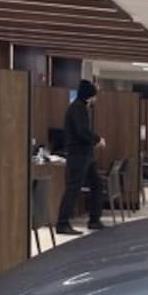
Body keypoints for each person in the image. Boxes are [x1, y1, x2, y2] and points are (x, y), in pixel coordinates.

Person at [56, 80, 107, 235]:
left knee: (97, 184)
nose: (96, 99)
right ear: (89, 96)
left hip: (86, 155)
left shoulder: (81, 108)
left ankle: (94, 219)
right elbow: (82, 131)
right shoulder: (77, 108)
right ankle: (62, 223)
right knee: (73, 189)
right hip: (78, 156)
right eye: (94, 96)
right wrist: (98, 139)